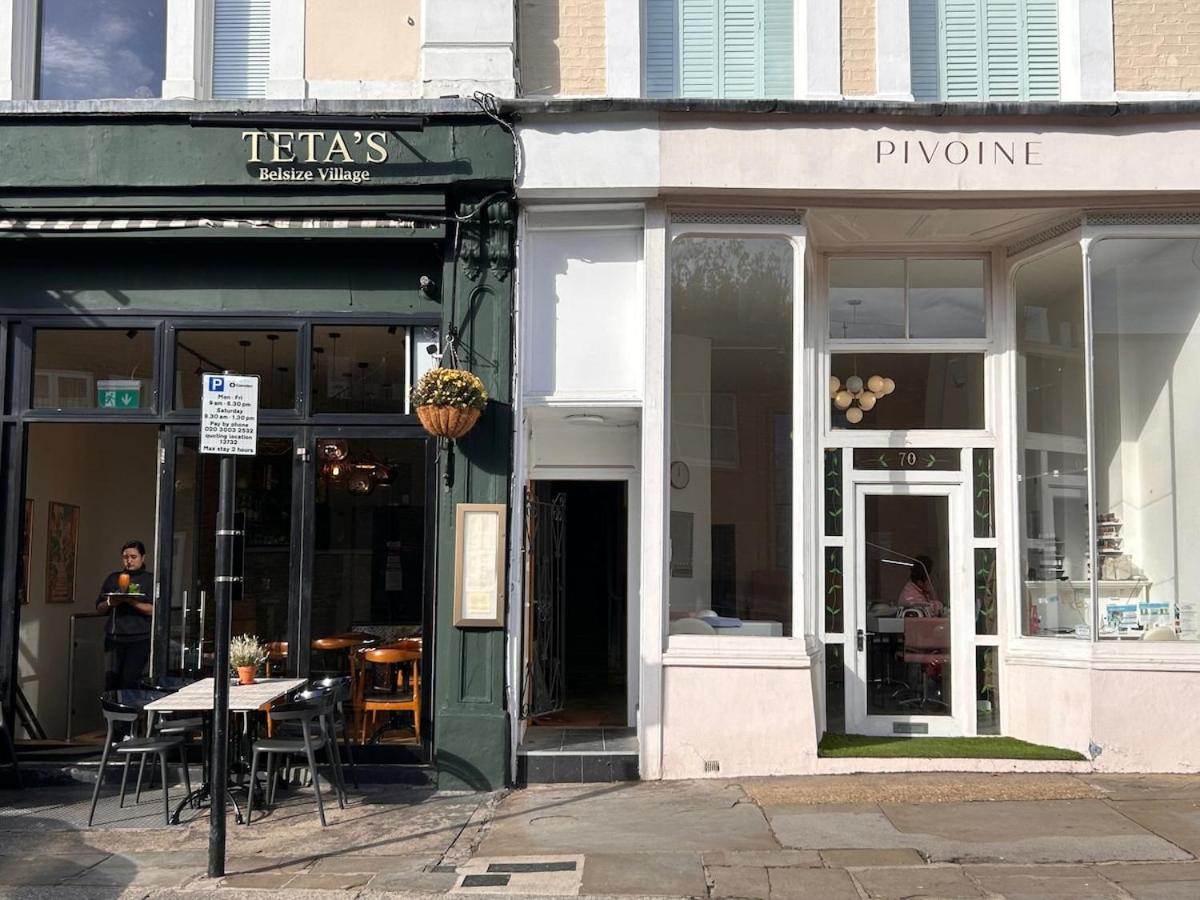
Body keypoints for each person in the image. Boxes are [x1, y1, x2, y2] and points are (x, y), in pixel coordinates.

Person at [95, 540, 154, 691]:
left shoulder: (150, 579)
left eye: (133, 557)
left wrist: (131, 601)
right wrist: (111, 602)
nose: (129, 561)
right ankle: (111, 707)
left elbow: (153, 610)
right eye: (125, 557)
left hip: (139, 639)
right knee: (111, 681)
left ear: (143, 557)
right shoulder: (113, 578)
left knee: (130, 681)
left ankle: (129, 707)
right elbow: (99, 608)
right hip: (114, 638)